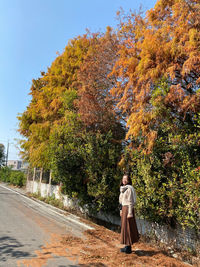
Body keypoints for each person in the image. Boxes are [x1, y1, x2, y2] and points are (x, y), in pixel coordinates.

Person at [119, 173, 139, 254]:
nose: (124, 180)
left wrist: (130, 212)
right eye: (123, 179)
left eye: (126, 179)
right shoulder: (123, 188)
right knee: (125, 227)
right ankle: (127, 246)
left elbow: (130, 201)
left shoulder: (129, 189)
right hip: (124, 209)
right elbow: (121, 201)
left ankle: (128, 248)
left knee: (128, 227)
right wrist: (121, 210)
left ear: (129, 180)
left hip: (128, 209)